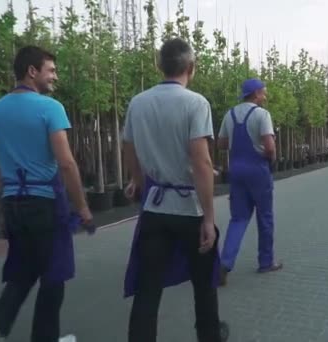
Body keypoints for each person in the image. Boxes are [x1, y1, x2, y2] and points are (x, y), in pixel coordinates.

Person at [0, 46, 93, 342]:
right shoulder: (49, 108)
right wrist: (83, 208)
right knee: (54, 275)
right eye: (51, 70)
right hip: (45, 204)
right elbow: (65, 163)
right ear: (32, 71)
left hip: (14, 203)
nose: (55, 77)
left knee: (23, 270)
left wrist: (4, 209)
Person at [122, 37, 228, 342]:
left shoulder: (138, 102)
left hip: (155, 209)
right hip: (189, 209)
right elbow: (201, 163)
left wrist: (136, 179)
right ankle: (209, 335)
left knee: (148, 287)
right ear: (191, 67)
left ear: (159, 66)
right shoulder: (195, 103)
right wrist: (208, 218)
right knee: (203, 283)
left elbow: (128, 145)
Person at [217, 78, 283, 286]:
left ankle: (224, 264)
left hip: (236, 171)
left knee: (238, 219)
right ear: (255, 94)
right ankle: (266, 262)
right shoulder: (262, 115)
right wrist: (270, 160)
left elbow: (221, 143)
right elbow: (270, 147)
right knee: (265, 217)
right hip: (258, 171)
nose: (265, 96)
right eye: (264, 92)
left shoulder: (230, 114)